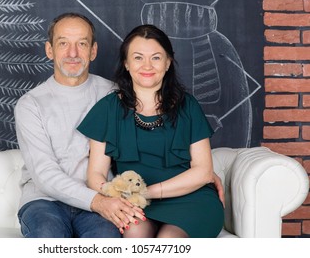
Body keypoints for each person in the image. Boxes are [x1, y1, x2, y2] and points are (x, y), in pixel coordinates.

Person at [77, 24, 225, 238]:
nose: (147, 65)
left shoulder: (188, 106)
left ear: (168, 63)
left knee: (168, 241)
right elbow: (95, 174)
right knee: (135, 235)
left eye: (156, 57)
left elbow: (202, 172)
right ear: (127, 64)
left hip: (191, 200)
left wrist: (145, 192)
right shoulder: (107, 108)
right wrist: (116, 197)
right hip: (135, 202)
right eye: (138, 58)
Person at [14, 12, 146, 238]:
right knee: (47, 236)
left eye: (81, 44)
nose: (72, 53)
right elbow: (45, 175)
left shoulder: (115, 95)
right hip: (45, 202)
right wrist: (98, 203)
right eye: (63, 43)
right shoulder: (30, 104)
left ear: (93, 51)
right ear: (49, 50)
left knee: (106, 241)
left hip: (101, 197)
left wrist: (199, 171)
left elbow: (150, 141)